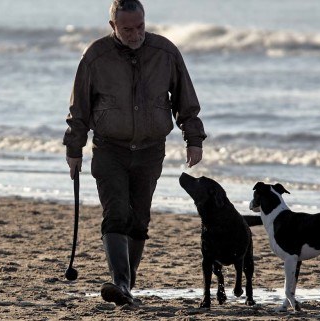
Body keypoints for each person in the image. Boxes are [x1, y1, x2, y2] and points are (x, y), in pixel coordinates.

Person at [63, 0, 206, 307]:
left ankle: (127, 285)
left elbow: (186, 99)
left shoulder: (165, 52)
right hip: (109, 149)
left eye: (139, 26)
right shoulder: (95, 56)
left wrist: (193, 138)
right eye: (127, 28)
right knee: (116, 213)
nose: (134, 33)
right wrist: (74, 148)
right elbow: (79, 109)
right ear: (113, 26)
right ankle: (121, 282)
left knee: (139, 219)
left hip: (150, 150)